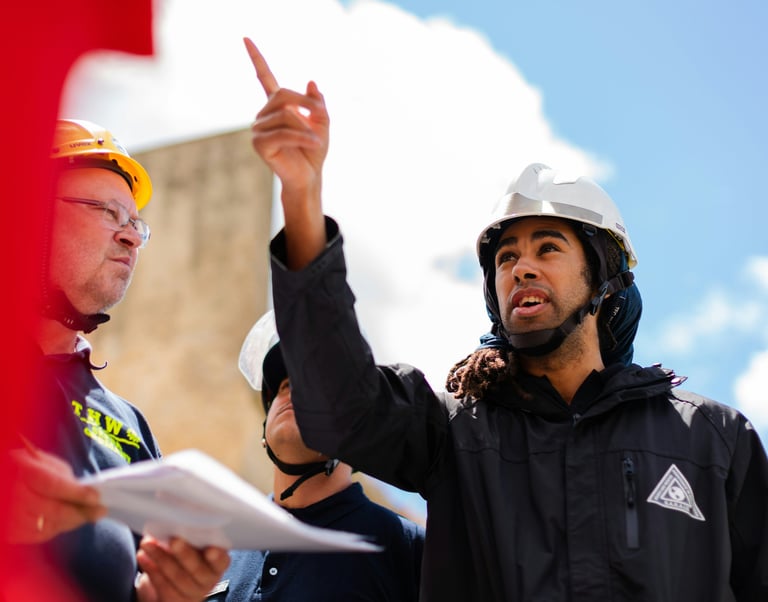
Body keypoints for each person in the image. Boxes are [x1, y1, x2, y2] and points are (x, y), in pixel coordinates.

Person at [242, 37, 768, 601]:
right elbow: (335, 397)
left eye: (548, 248)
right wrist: (301, 195)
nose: (521, 268)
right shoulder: (450, 432)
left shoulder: (714, 439)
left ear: (604, 277)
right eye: (506, 258)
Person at [3, 118, 230, 601]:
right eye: (108, 212)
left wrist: (164, 594)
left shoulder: (127, 424)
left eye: (135, 223)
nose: (131, 237)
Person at [205, 311, 424, 601]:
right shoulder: (218, 549)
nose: (293, 391)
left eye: (315, 386)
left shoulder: (407, 549)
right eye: (284, 385)